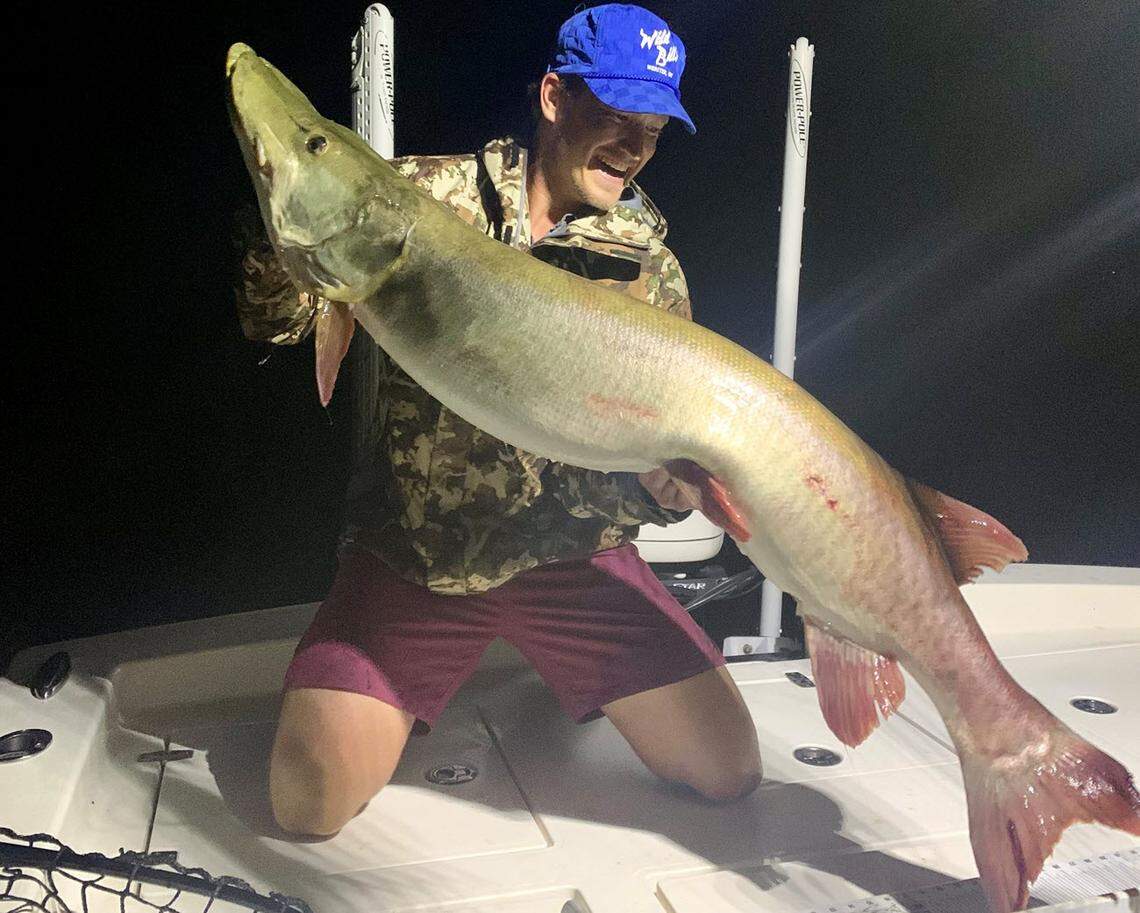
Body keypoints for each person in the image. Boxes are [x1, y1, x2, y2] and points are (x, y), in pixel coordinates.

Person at [236, 4, 762, 837]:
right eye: (617, 117)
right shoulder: (420, 197)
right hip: (419, 554)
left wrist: (665, 489)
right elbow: (277, 322)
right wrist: (283, 229)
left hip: (577, 560)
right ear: (554, 97)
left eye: (653, 131)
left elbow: (653, 466)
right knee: (308, 801)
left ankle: (561, 675)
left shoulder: (648, 267)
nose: (634, 147)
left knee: (729, 770)